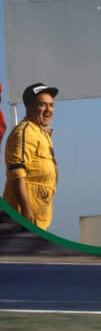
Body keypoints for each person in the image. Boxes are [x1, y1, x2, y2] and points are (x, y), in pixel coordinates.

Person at [3, 83, 59, 230]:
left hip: (39, 219)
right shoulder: (24, 132)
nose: (49, 110)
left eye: (51, 105)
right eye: (42, 105)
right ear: (29, 107)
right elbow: (16, 173)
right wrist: (26, 210)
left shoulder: (40, 133)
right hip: (23, 219)